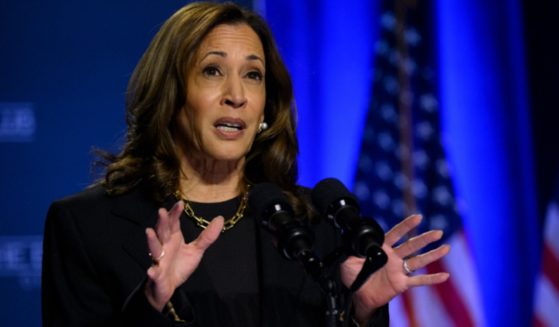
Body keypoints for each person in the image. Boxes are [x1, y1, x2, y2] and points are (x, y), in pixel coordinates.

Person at [41, 2, 450, 326]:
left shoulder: (314, 226)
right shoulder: (87, 227)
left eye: (253, 75)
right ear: (172, 96)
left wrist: (360, 312)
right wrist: (152, 304)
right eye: (212, 70)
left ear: (265, 109)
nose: (236, 95)